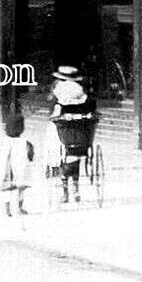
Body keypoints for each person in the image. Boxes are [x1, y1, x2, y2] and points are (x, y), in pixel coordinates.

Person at [45, 65, 94, 203]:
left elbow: (54, 113)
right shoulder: (80, 92)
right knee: (76, 155)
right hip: (80, 131)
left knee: (60, 151)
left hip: (62, 129)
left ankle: (65, 190)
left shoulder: (59, 90)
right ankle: (76, 189)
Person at [0, 112, 34, 216]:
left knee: (8, 189)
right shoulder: (25, 142)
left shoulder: (6, 141)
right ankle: (20, 207)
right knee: (21, 189)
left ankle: (7, 209)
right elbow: (30, 154)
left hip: (9, 169)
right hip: (21, 169)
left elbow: (3, 156)